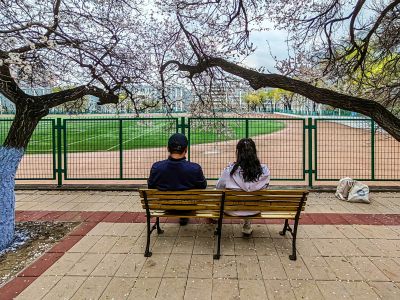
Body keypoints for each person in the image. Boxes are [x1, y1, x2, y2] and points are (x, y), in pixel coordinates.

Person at [148, 133, 207, 225]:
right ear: (186, 149)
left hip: (165, 206)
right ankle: (184, 215)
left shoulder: (156, 167)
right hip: (189, 206)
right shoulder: (195, 168)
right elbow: (203, 186)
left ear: (168, 148)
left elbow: (151, 186)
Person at [216, 138, 270, 236]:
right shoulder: (264, 171)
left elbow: (219, 187)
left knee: (219, 195)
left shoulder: (229, 171)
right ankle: (247, 225)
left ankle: (216, 219)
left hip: (231, 210)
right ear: (254, 152)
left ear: (238, 153)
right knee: (250, 199)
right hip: (255, 209)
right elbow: (266, 187)